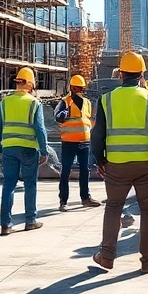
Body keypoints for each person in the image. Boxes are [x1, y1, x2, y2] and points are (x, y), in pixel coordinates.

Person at [92, 51, 148, 273]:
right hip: (147, 163)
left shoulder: (106, 99)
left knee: (113, 207)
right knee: (147, 210)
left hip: (116, 164)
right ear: (142, 74)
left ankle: (106, 256)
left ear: (121, 74)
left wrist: (100, 160)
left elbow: (97, 135)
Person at [0, 67, 50, 235]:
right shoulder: (34, 103)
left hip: (9, 148)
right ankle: (30, 220)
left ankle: (5, 224)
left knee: (9, 184)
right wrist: (44, 150)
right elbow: (40, 129)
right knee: (30, 184)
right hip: (28, 149)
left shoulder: (5, 102)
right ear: (31, 84)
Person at [54, 75, 101, 211]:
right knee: (65, 171)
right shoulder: (65, 102)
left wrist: (90, 129)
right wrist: (63, 115)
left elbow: (89, 119)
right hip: (69, 142)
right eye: (76, 88)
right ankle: (63, 200)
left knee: (85, 170)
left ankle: (85, 198)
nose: (78, 91)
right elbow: (57, 116)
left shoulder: (86, 102)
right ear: (71, 88)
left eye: (80, 88)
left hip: (84, 142)